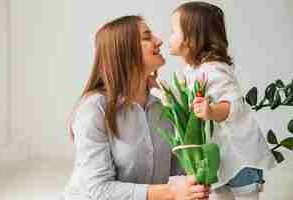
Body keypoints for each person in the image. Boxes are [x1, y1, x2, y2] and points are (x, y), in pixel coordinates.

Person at [62, 15, 210, 200]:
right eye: (147, 37)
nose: (159, 41)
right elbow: (98, 190)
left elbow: (179, 171)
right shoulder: (94, 109)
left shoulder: (166, 103)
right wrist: (171, 192)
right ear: (124, 50)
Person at [168, 2, 276, 200]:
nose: (169, 37)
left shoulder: (213, 68)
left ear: (192, 39)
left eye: (173, 31)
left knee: (246, 195)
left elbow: (233, 105)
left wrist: (211, 111)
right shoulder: (191, 71)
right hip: (220, 159)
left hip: (239, 156)